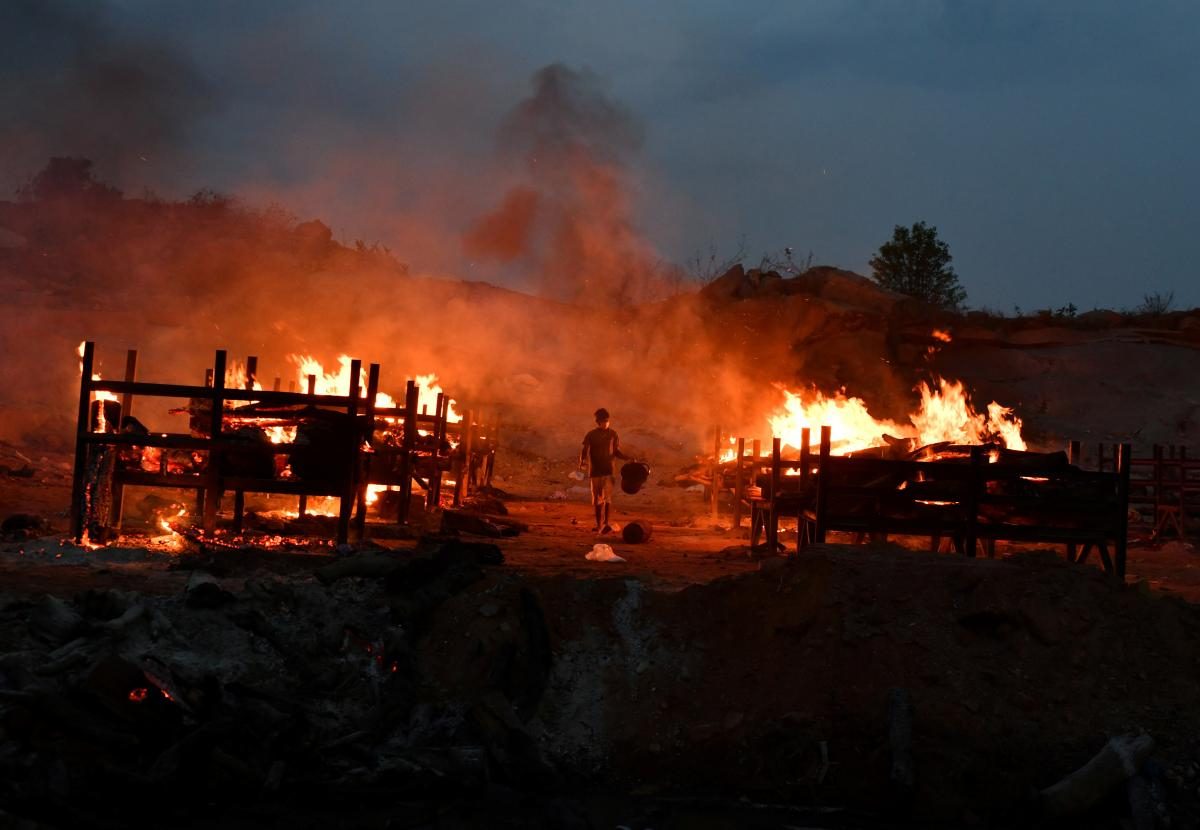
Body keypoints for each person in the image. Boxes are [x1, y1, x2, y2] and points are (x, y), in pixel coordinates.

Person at [579, 407, 629, 533]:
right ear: (598, 422)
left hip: (608, 471)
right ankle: (598, 524)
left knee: (607, 498)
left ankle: (606, 523)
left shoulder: (613, 434)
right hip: (595, 471)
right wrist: (582, 461)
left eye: (608, 420)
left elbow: (616, 451)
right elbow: (585, 449)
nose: (606, 423)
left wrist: (626, 458)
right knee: (597, 499)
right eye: (604, 421)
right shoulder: (591, 435)